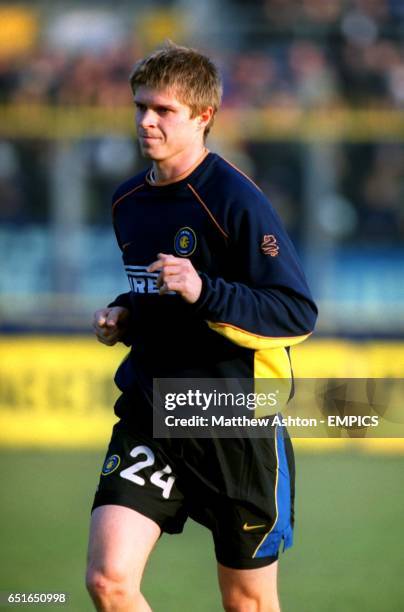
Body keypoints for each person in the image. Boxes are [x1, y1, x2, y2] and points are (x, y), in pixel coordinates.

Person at [86, 41, 317, 612]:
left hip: (230, 421)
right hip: (149, 413)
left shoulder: (236, 199)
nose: (145, 121)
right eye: (140, 106)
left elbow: (295, 312)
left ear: (203, 116)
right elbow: (159, 295)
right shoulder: (127, 201)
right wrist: (127, 312)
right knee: (109, 582)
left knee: (246, 602)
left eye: (163, 110)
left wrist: (204, 290)